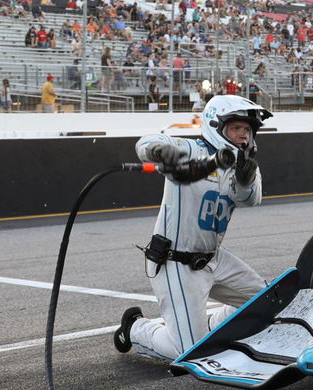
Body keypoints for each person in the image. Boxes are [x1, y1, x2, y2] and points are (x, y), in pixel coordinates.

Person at [114, 96, 272, 362]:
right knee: (187, 352)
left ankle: (212, 325)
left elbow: (250, 199)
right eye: (236, 128)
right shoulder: (192, 150)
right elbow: (145, 144)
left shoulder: (246, 169)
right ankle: (135, 328)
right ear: (215, 126)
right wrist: (167, 155)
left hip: (214, 258)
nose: (243, 135)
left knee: (267, 303)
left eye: (247, 129)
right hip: (176, 260)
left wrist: (244, 175)